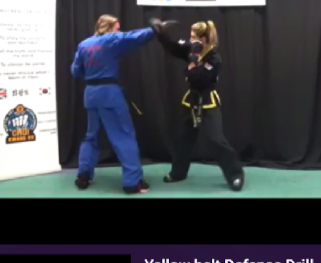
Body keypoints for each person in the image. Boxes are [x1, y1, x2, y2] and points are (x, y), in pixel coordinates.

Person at [151, 19, 244, 191]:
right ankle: (178, 172)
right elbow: (174, 49)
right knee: (183, 139)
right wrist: (162, 35)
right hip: (191, 100)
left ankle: (235, 175)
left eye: (194, 37)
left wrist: (192, 63)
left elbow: (199, 79)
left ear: (204, 39)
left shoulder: (214, 59)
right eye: (191, 36)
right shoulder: (192, 49)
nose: (191, 39)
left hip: (207, 101)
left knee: (216, 140)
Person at [71, 15, 158, 194]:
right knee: (123, 136)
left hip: (91, 95)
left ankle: (83, 175)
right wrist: (156, 30)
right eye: (117, 28)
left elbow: (75, 71)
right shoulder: (110, 39)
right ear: (109, 28)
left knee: (91, 136)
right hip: (109, 94)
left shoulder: (83, 44)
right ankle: (132, 182)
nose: (119, 31)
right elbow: (134, 37)